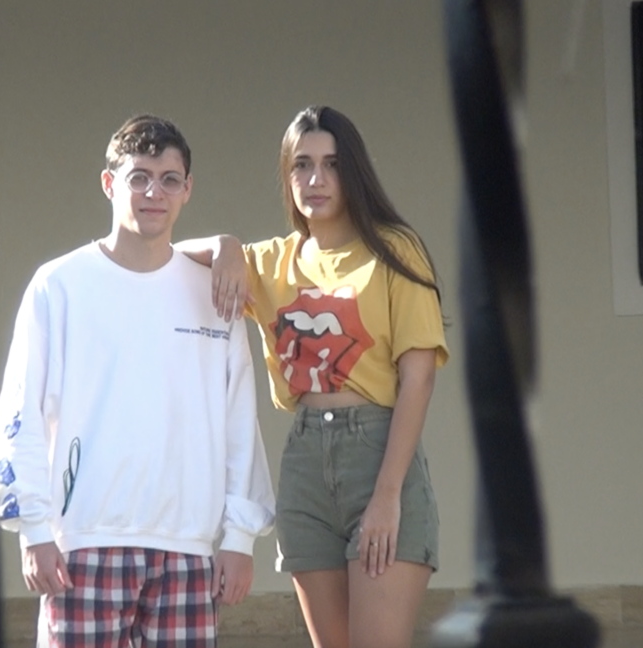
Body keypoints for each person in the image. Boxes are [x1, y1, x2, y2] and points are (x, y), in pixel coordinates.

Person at [0, 114, 276, 648]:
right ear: (109, 183)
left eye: (169, 179)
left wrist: (240, 536)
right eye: (138, 177)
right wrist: (32, 528)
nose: (153, 192)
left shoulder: (215, 294)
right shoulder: (59, 286)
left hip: (188, 553)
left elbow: (240, 420)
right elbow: (20, 410)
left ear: (187, 189)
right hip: (82, 547)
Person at [176, 105, 448, 648]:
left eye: (331, 164)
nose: (315, 179)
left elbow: (418, 379)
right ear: (288, 175)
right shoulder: (270, 262)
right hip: (304, 462)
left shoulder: (394, 250)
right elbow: (166, 258)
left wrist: (387, 496)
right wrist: (226, 244)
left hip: (378, 454)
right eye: (302, 165)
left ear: (354, 172)